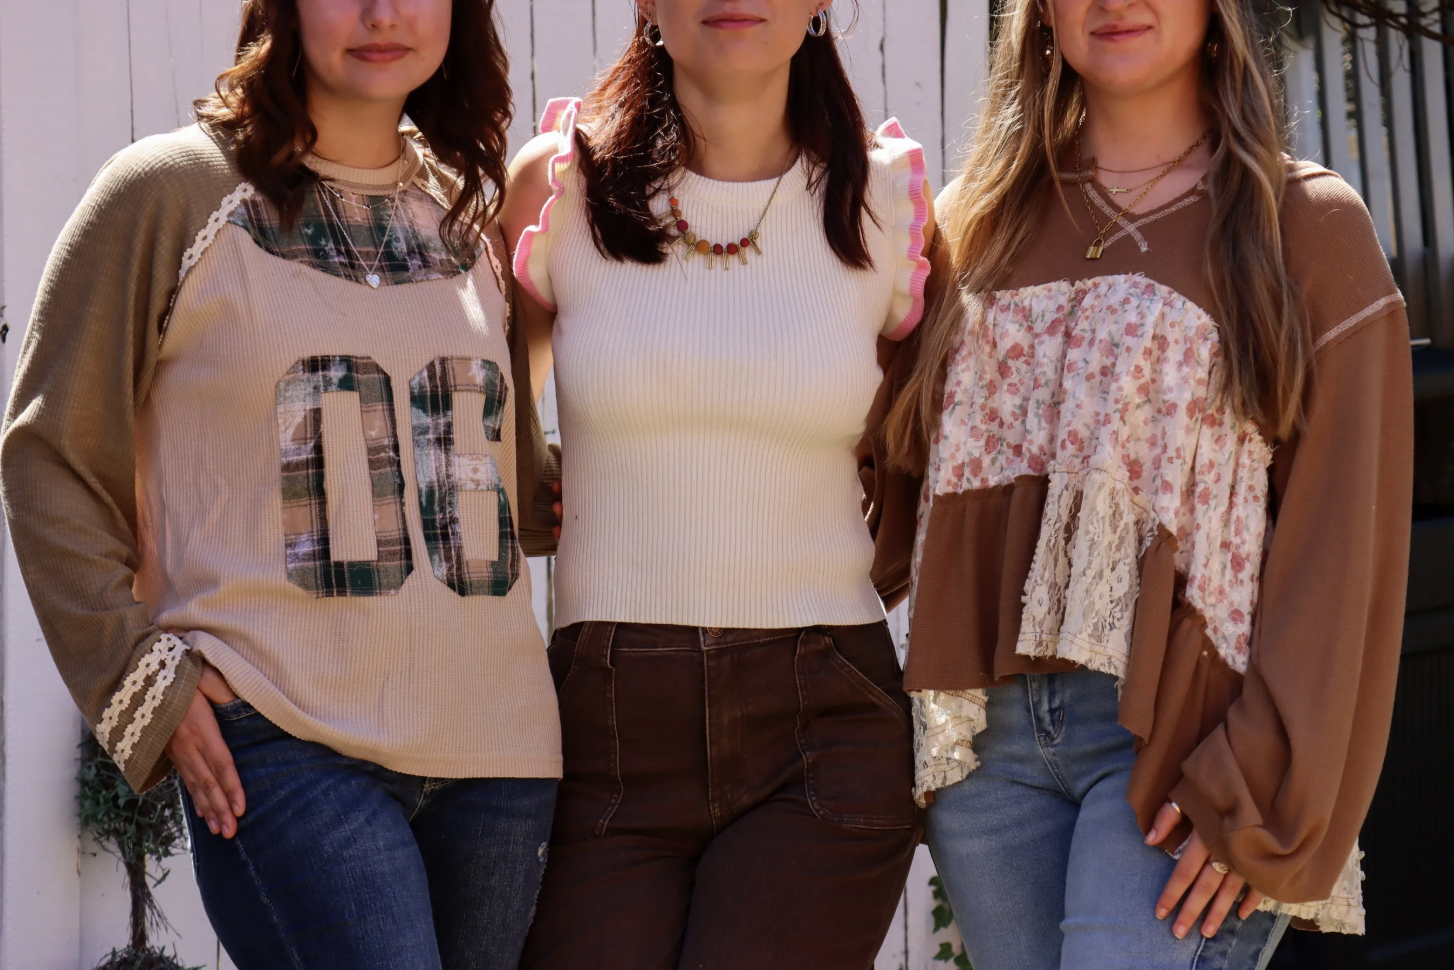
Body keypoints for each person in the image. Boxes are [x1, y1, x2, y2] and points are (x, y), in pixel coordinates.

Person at [0, 1, 562, 967]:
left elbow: (509, 489)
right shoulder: (168, 193)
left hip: (500, 757)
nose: (384, 13)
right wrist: (143, 683)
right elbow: (50, 452)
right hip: (286, 742)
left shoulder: (467, 216)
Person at [869, 0, 1414, 965]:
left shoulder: (1306, 225)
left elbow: (1346, 550)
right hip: (989, 761)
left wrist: (1259, 786)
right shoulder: (967, 223)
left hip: (1181, 754)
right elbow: (867, 472)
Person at [497, 1, 933, 967]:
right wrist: (549, 496)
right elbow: (479, 421)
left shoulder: (890, 200)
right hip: (599, 733)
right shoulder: (556, 189)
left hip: (823, 726)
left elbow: (908, 451)